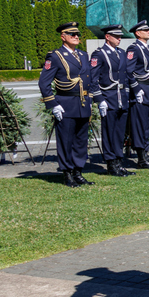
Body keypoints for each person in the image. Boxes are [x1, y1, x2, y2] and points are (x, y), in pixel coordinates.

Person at [39, 22, 95, 188]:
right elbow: (44, 83)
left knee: (81, 140)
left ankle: (78, 172)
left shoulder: (83, 55)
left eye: (77, 34)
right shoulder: (55, 56)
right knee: (66, 141)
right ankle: (67, 174)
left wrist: (90, 100)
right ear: (63, 37)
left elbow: (89, 80)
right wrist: (53, 104)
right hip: (66, 104)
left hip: (82, 103)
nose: (76, 37)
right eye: (72, 34)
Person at [90, 25, 134, 177]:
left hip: (121, 97)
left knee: (120, 132)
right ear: (107, 37)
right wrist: (99, 99)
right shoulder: (99, 54)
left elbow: (126, 76)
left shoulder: (121, 53)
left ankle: (119, 162)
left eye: (120, 36)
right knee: (109, 132)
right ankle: (111, 163)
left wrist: (127, 94)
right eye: (116, 36)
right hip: (108, 97)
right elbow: (93, 79)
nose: (119, 39)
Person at [126, 20, 149, 169]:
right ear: (138, 33)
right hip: (140, 90)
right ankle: (142, 158)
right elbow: (129, 71)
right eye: (145, 30)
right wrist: (136, 89)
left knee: (147, 124)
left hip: (148, 90)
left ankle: (145, 156)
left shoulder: (148, 48)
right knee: (139, 125)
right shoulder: (134, 49)